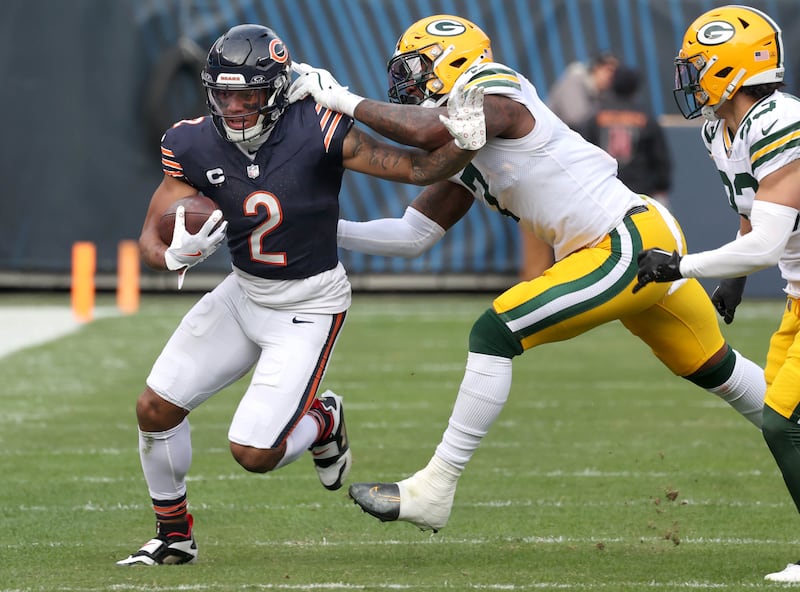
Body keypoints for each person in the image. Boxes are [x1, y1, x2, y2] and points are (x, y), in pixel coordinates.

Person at [288, 14, 766, 535]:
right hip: (622, 245)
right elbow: (411, 235)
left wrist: (337, 98)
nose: (408, 81)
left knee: (495, 331)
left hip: (626, 240)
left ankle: (434, 488)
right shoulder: (467, 136)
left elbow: (427, 129)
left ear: (455, 61)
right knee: (729, 377)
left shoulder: (494, 87)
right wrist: (324, 230)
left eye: (417, 67)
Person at [116, 23, 485, 566]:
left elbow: (414, 167)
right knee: (154, 409)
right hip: (242, 293)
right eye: (224, 94)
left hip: (309, 305)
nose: (235, 108)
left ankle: (323, 420)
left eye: (249, 95)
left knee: (254, 453)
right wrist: (171, 255)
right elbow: (151, 233)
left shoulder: (317, 127)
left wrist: (471, 140)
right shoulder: (191, 140)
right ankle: (174, 536)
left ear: (277, 89)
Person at [631, 5, 800, 583]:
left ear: (732, 65)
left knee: (784, 422)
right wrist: (735, 279)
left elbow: (768, 241)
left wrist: (682, 266)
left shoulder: (780, 119)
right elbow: (754, 222)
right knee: (784, 420)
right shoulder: (720, 130)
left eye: (698, 65)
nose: (688, 76)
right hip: (797, 298)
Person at [583, 65, 673, 208]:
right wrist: (662, 186)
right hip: (640, 193)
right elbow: (660, 158)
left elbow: (585, 155)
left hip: (605, 191)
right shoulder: (645, 117)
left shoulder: (596, 116)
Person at [547, 52, 618, 131]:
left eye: (615, 73)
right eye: (609, 70)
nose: (611, 76)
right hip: (549, 137)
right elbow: (576, 120)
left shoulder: (603, 93)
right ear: (596, 68)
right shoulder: (574, 81)